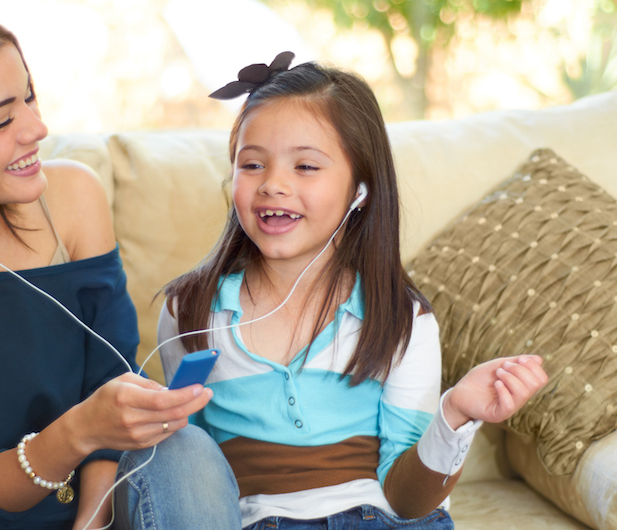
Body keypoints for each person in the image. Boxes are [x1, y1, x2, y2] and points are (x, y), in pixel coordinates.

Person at [0, 1, 240, 529]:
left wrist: (90, 521)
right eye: (2, 119)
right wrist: (78, 432)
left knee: (184, 448)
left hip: (90, 507)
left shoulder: (71, 197)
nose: (37, 128)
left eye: (29, 97)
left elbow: (109, 377)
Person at [159, 53, 548, 529]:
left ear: (359, 191)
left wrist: (455, 413)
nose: (273, 185)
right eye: (252, 163)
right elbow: (191, 477)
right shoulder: (190, 312)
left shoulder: (401, 319)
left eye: (305, 166)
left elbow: (408, 501)